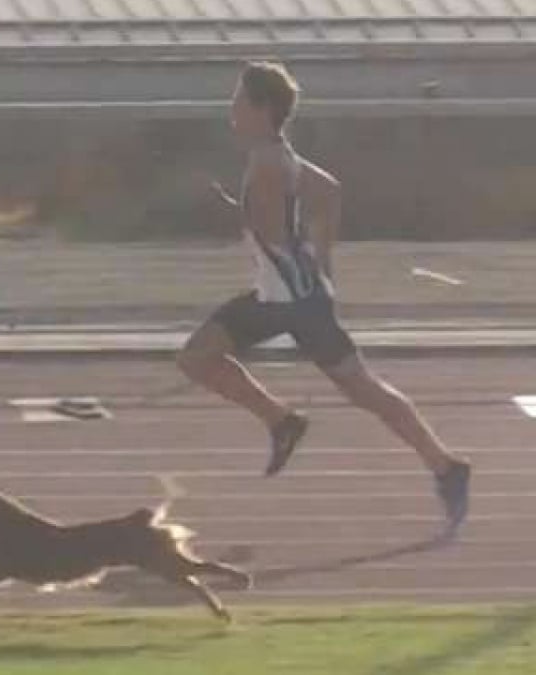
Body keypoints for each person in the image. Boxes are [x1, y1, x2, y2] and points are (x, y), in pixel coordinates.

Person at [175, 61, 471, 533]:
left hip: (291, 302)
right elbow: (327, 192)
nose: (230, 108)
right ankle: (286, 422)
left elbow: (276, 229)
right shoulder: (277, 155)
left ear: (261, 108)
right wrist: (319, 260)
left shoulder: (268, 164)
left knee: (361, 388)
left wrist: (244, 221)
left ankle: (444, 466)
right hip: (287, 297)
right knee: (200, 359)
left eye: (238, 100)